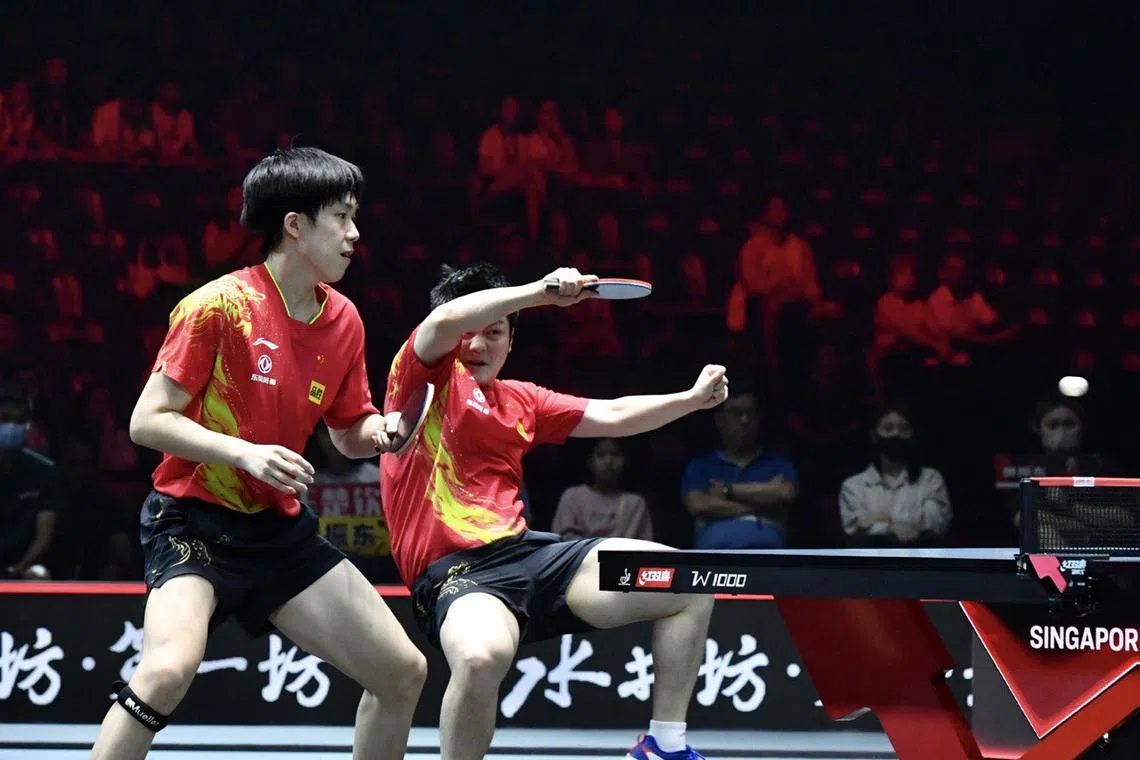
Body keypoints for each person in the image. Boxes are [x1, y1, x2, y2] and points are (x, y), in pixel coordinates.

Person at [88, 147, 426, 760]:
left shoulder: (344, 320)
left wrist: (382, 433)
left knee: (402, 672)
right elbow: (147, 421)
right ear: (294, 225)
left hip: (278, 531)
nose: (355, 235)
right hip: (194, 519)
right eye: (342, 217)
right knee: (166, 672)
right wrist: (244, 454)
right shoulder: (217, 306)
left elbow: (348, 430)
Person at [381, 263, 728, 760]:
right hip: (456, 575)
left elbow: (612, 414)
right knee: (481, 658)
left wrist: (691, 400)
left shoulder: (522, 401)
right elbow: (445, 323)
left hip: (532, 559)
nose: (478, 345)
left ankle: (664, 745)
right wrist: (538, 294)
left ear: (510, 342)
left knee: (685, 581)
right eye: (470, 335)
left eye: (495, 334)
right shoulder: (421, 378)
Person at [682, 390, 798, 550]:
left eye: (751, 413)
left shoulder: (777, 463)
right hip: (713, 558)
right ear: (719, 420)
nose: (745, 420)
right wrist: (762, 506)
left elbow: (785, 493)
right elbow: (698, 505)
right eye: (736, 413)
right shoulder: (700, 465)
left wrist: (727, 490)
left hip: (768, 558)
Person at [839, 403, 951, 547]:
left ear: (912, 435)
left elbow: (936, 523)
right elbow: (854, 529)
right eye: (888, 428)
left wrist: (879, 520)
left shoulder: (931, 479)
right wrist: (892, 527)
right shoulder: (852, 486)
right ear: (874, 435)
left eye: (904, 429)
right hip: (872, 565)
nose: (896, 434)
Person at [0, 382, 60, 580]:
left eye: (19, 421)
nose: (11, 427)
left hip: (25, 565)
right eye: (4, 419)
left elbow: (44, 534)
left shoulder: (44, 471)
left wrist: (20, 567)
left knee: (39, 574)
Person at [552, 438, 654, 542]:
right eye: (601, 455)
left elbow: (645, 546)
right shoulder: (572, 497)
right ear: (590, 462)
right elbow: (563, 541)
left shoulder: (635, 504)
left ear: (625, 460)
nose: (609, 461)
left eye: (615, 454)